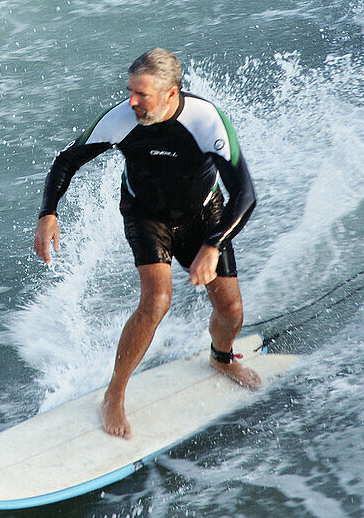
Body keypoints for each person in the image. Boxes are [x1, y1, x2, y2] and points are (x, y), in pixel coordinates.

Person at [33, 48, 260, 440]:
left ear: (171, 94)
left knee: (232, 309)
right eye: (129, 92)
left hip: (203, 216)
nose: (132, 102)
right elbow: (67, 161)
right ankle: (113, 394)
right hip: (145, 215)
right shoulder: (122, 120)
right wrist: (48, 213)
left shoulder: (205, 122)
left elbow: (245, 194)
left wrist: (213, 245)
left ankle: (221, 357)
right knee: (156, 300)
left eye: (142, 95)